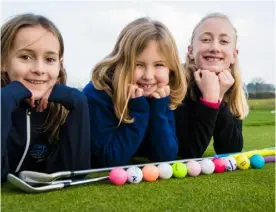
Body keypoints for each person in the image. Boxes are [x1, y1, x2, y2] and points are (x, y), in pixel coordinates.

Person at [83, 17, 186, 167]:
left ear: (171, 69)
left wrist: (159, 112)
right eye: (138, 64)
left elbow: (166, 155)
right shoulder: (97, 94)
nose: (148, 76)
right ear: (120, 63)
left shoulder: (159, 96)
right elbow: (109, 159)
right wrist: (138, 111)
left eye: (159, 65)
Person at [1, 13, 91, 181]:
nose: (39, 69)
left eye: (50, 59)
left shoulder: (60, 109)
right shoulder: (3, 102)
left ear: (59, 65)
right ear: (3, 61)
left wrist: (79, 103)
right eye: (25, 57)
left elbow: (75, 171)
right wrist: (4, 100)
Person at [175, 13, 249, 158]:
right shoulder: (177, 85)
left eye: (224, 42)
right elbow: (188, 153)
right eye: (206, 39)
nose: (215, 47)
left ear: (234, 55)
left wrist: (219, 98)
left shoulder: (229, 85)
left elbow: (231, 149)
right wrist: (210, 100)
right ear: (191, 51)